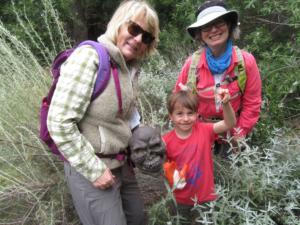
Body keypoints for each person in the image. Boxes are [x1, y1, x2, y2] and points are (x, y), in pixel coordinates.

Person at [47, 1, 159, 225]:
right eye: (134, 29)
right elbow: (59, 122)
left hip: (121, 164)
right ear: (119, 24)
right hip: (90, 165)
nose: (138, 39)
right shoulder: (90, 57)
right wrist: (94, 170)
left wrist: (141, 137)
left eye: (146, 37)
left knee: (137, 218)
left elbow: (125, 114)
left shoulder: (128, 68)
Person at [175, 0, 262, 156]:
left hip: (233, 135)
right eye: (207, 27)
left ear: (229, 26)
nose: (214, 30)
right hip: (200, 133)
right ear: (200, 34)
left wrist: (239, 134)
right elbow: (178, 103)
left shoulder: (246, 62)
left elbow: (252, 103)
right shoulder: (191, 65)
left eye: (219, 23)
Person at [163, 89, 236, 224]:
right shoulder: (165, 141)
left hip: (205, 198)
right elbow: (161, 167)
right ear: (170, 116)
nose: (185, 118)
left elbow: (229, 123)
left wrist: (226, 103)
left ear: (197, 114)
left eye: (190, 113)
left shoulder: (205, 130)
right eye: (179, 114)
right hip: (178, 199)